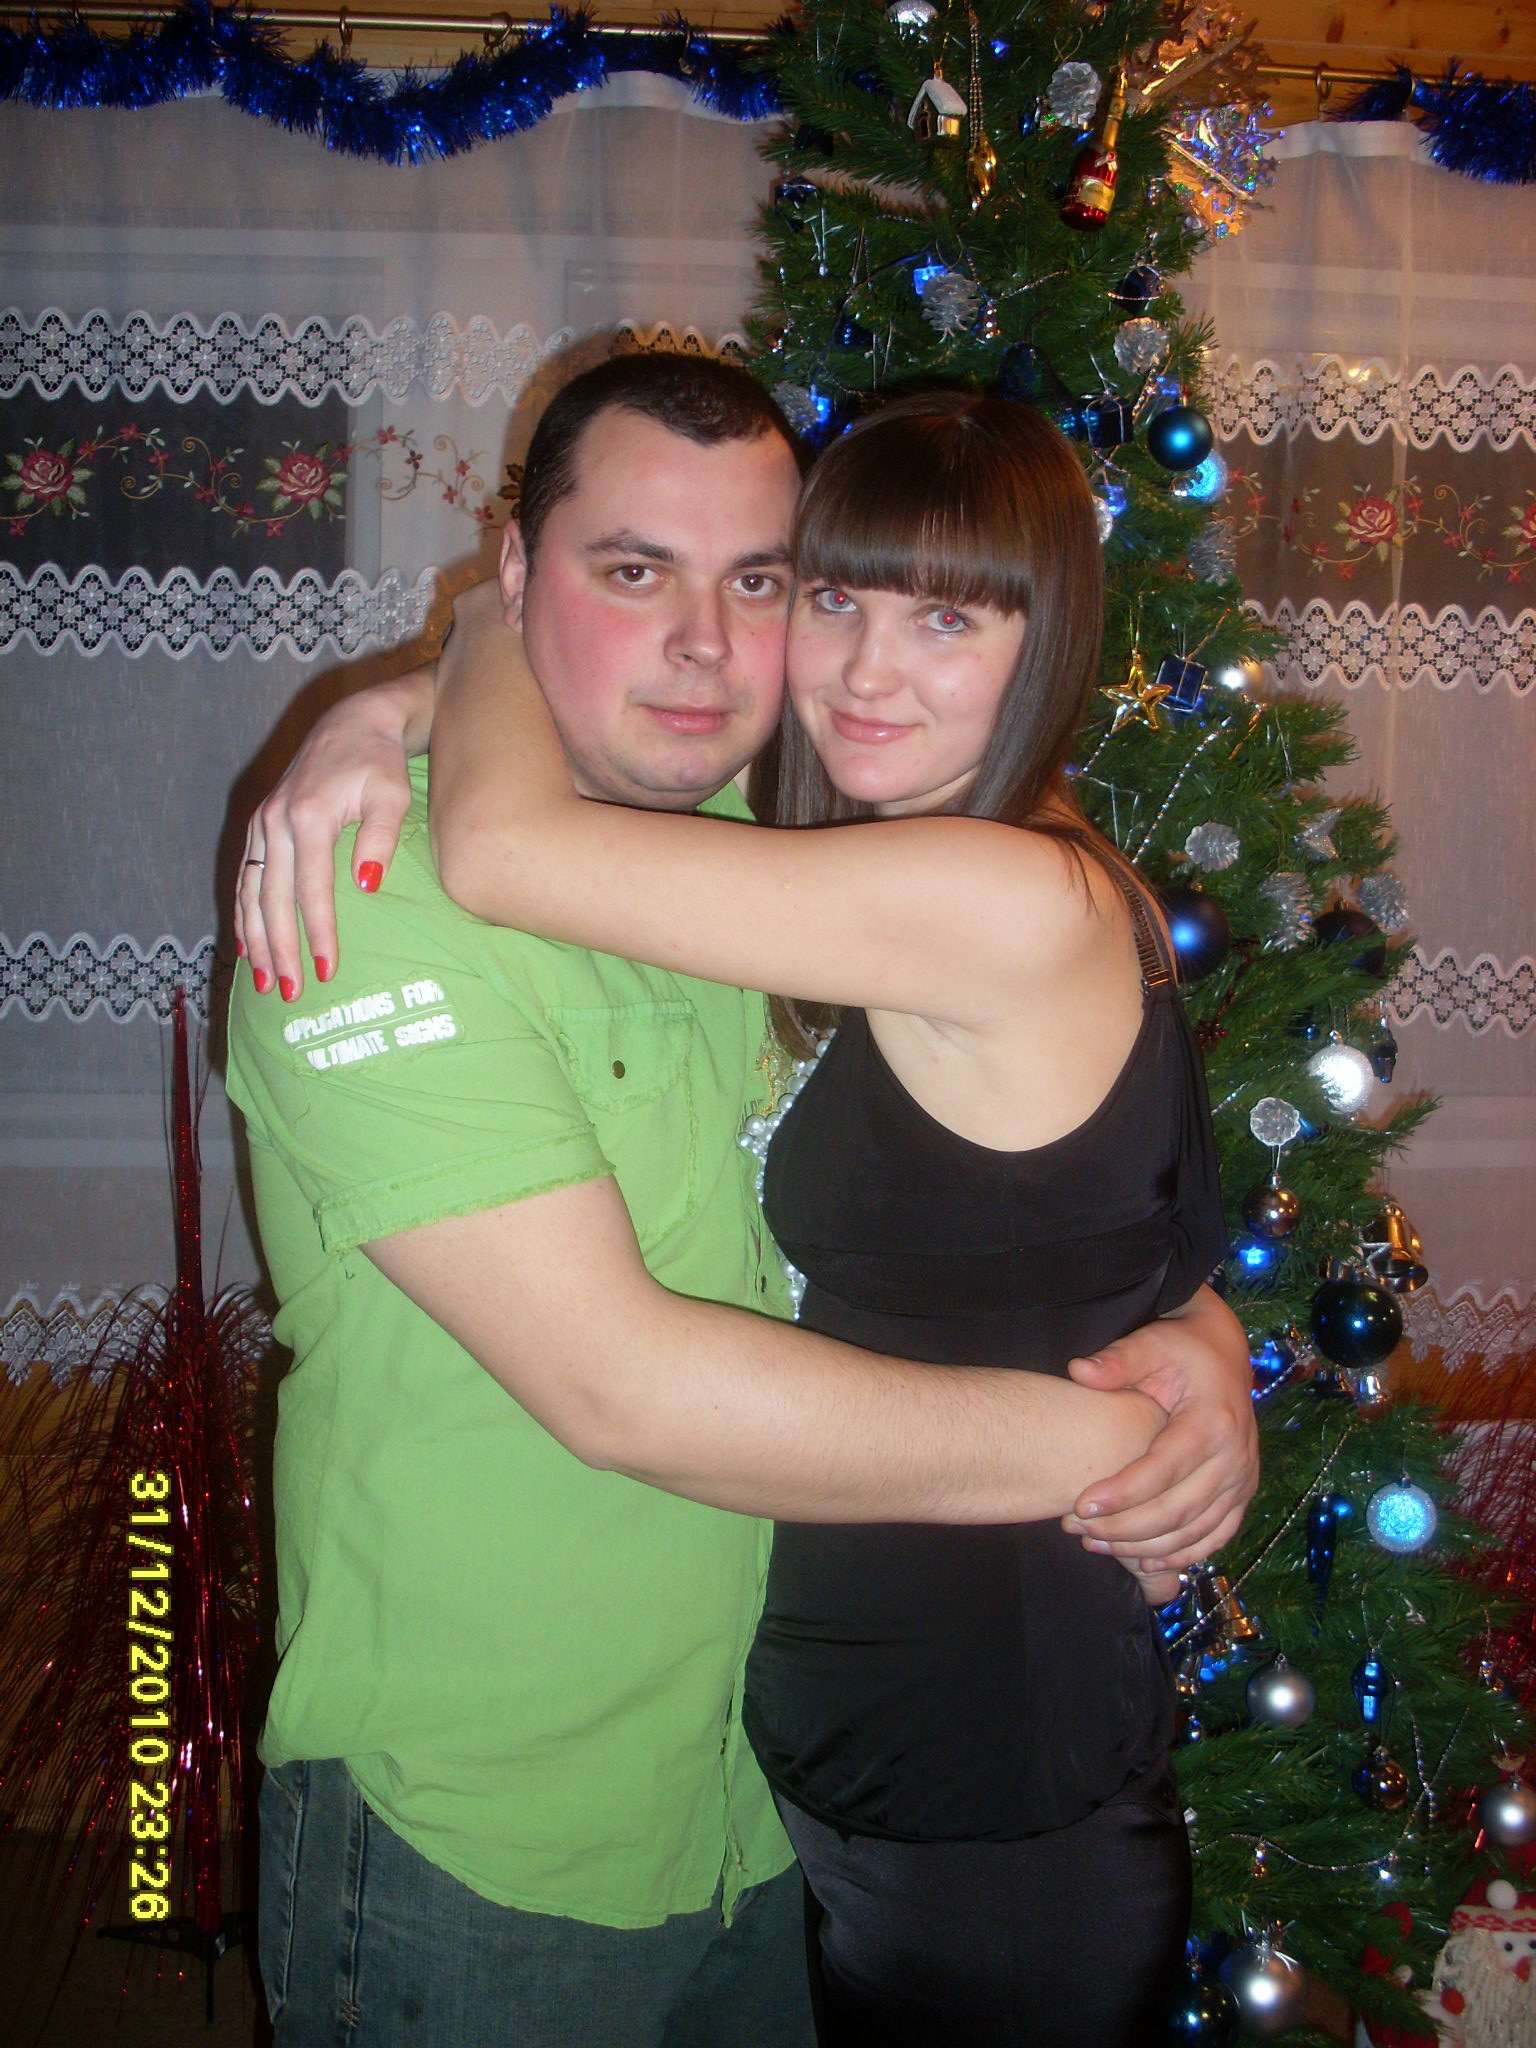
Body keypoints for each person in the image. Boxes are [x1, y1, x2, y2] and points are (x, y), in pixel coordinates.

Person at [229, 355, 1255, 2048]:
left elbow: (1051, 1207)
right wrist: (1122, 1434)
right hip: (492, 1827)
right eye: (635, 570)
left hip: (770, 1814)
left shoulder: (779, 850)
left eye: (763, 582)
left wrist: (1193, 1341)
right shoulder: (368, 896)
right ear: (521, 566)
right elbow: (621, 1386)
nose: (712, 646)